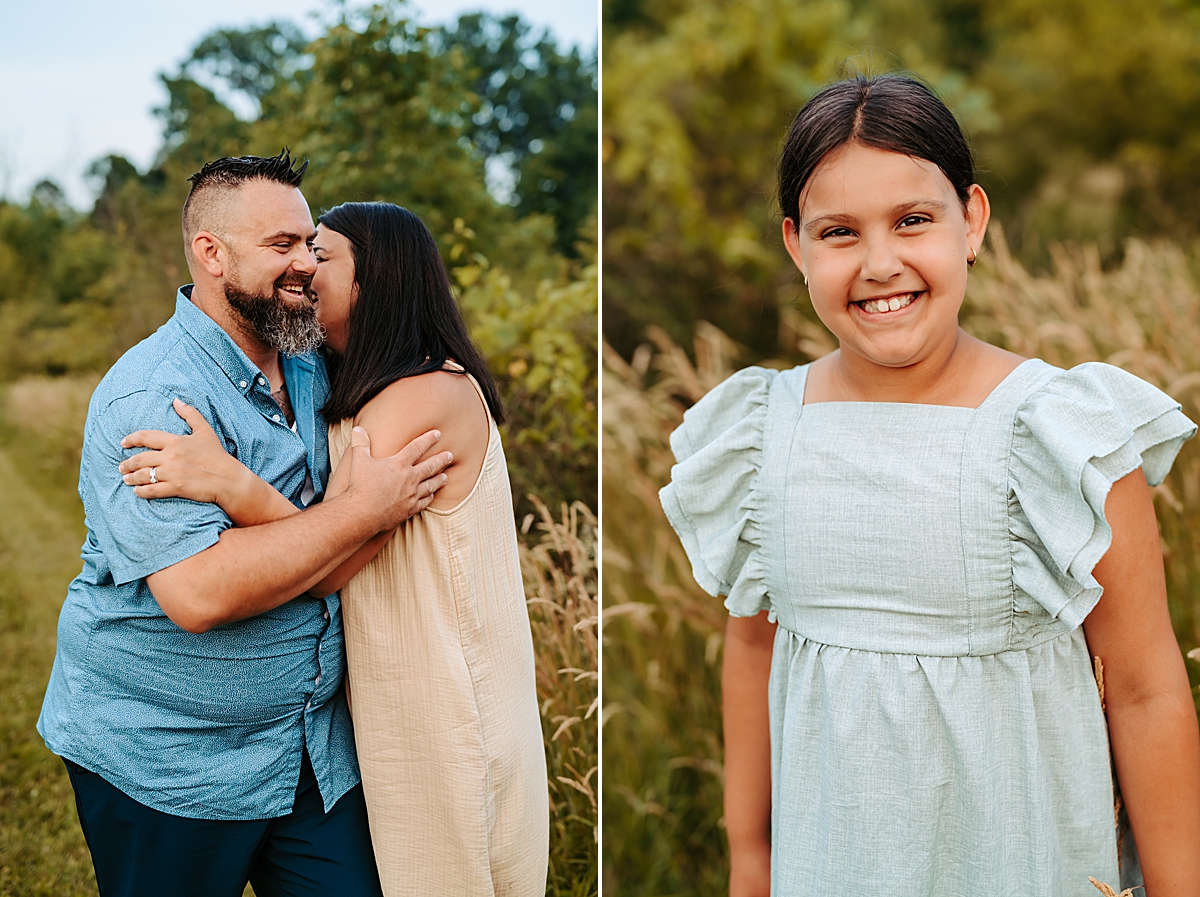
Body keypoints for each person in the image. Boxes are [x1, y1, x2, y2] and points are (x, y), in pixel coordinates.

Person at [658, 75, 1200, 896]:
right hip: (831, 865)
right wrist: (750, 860)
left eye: (913, 220)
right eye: (839, 231)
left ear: (972, 220)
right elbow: (754, 642)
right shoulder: (761, 432)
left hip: (1025, 859)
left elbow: (1145, 688)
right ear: (795, 245)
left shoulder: (1062, 432)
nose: (881, 264)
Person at [37, 151, 453, 897]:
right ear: (211, 253)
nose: (305, 265)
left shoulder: (313, 362)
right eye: (281, 247)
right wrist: (361, 511)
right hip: (166, 760)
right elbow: (200, 594)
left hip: (310, 750)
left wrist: (248, 492)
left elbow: (336, 554)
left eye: (310, 244)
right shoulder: (154, 401)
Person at [116, 201, 550, 896]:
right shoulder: (371, 385)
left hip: (446, 705)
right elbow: (342, 525)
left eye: (324, 253)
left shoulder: (417, 399)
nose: (307, 268)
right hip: (400, 699)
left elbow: (329, 560)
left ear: (376, 280)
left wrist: (229, 480)